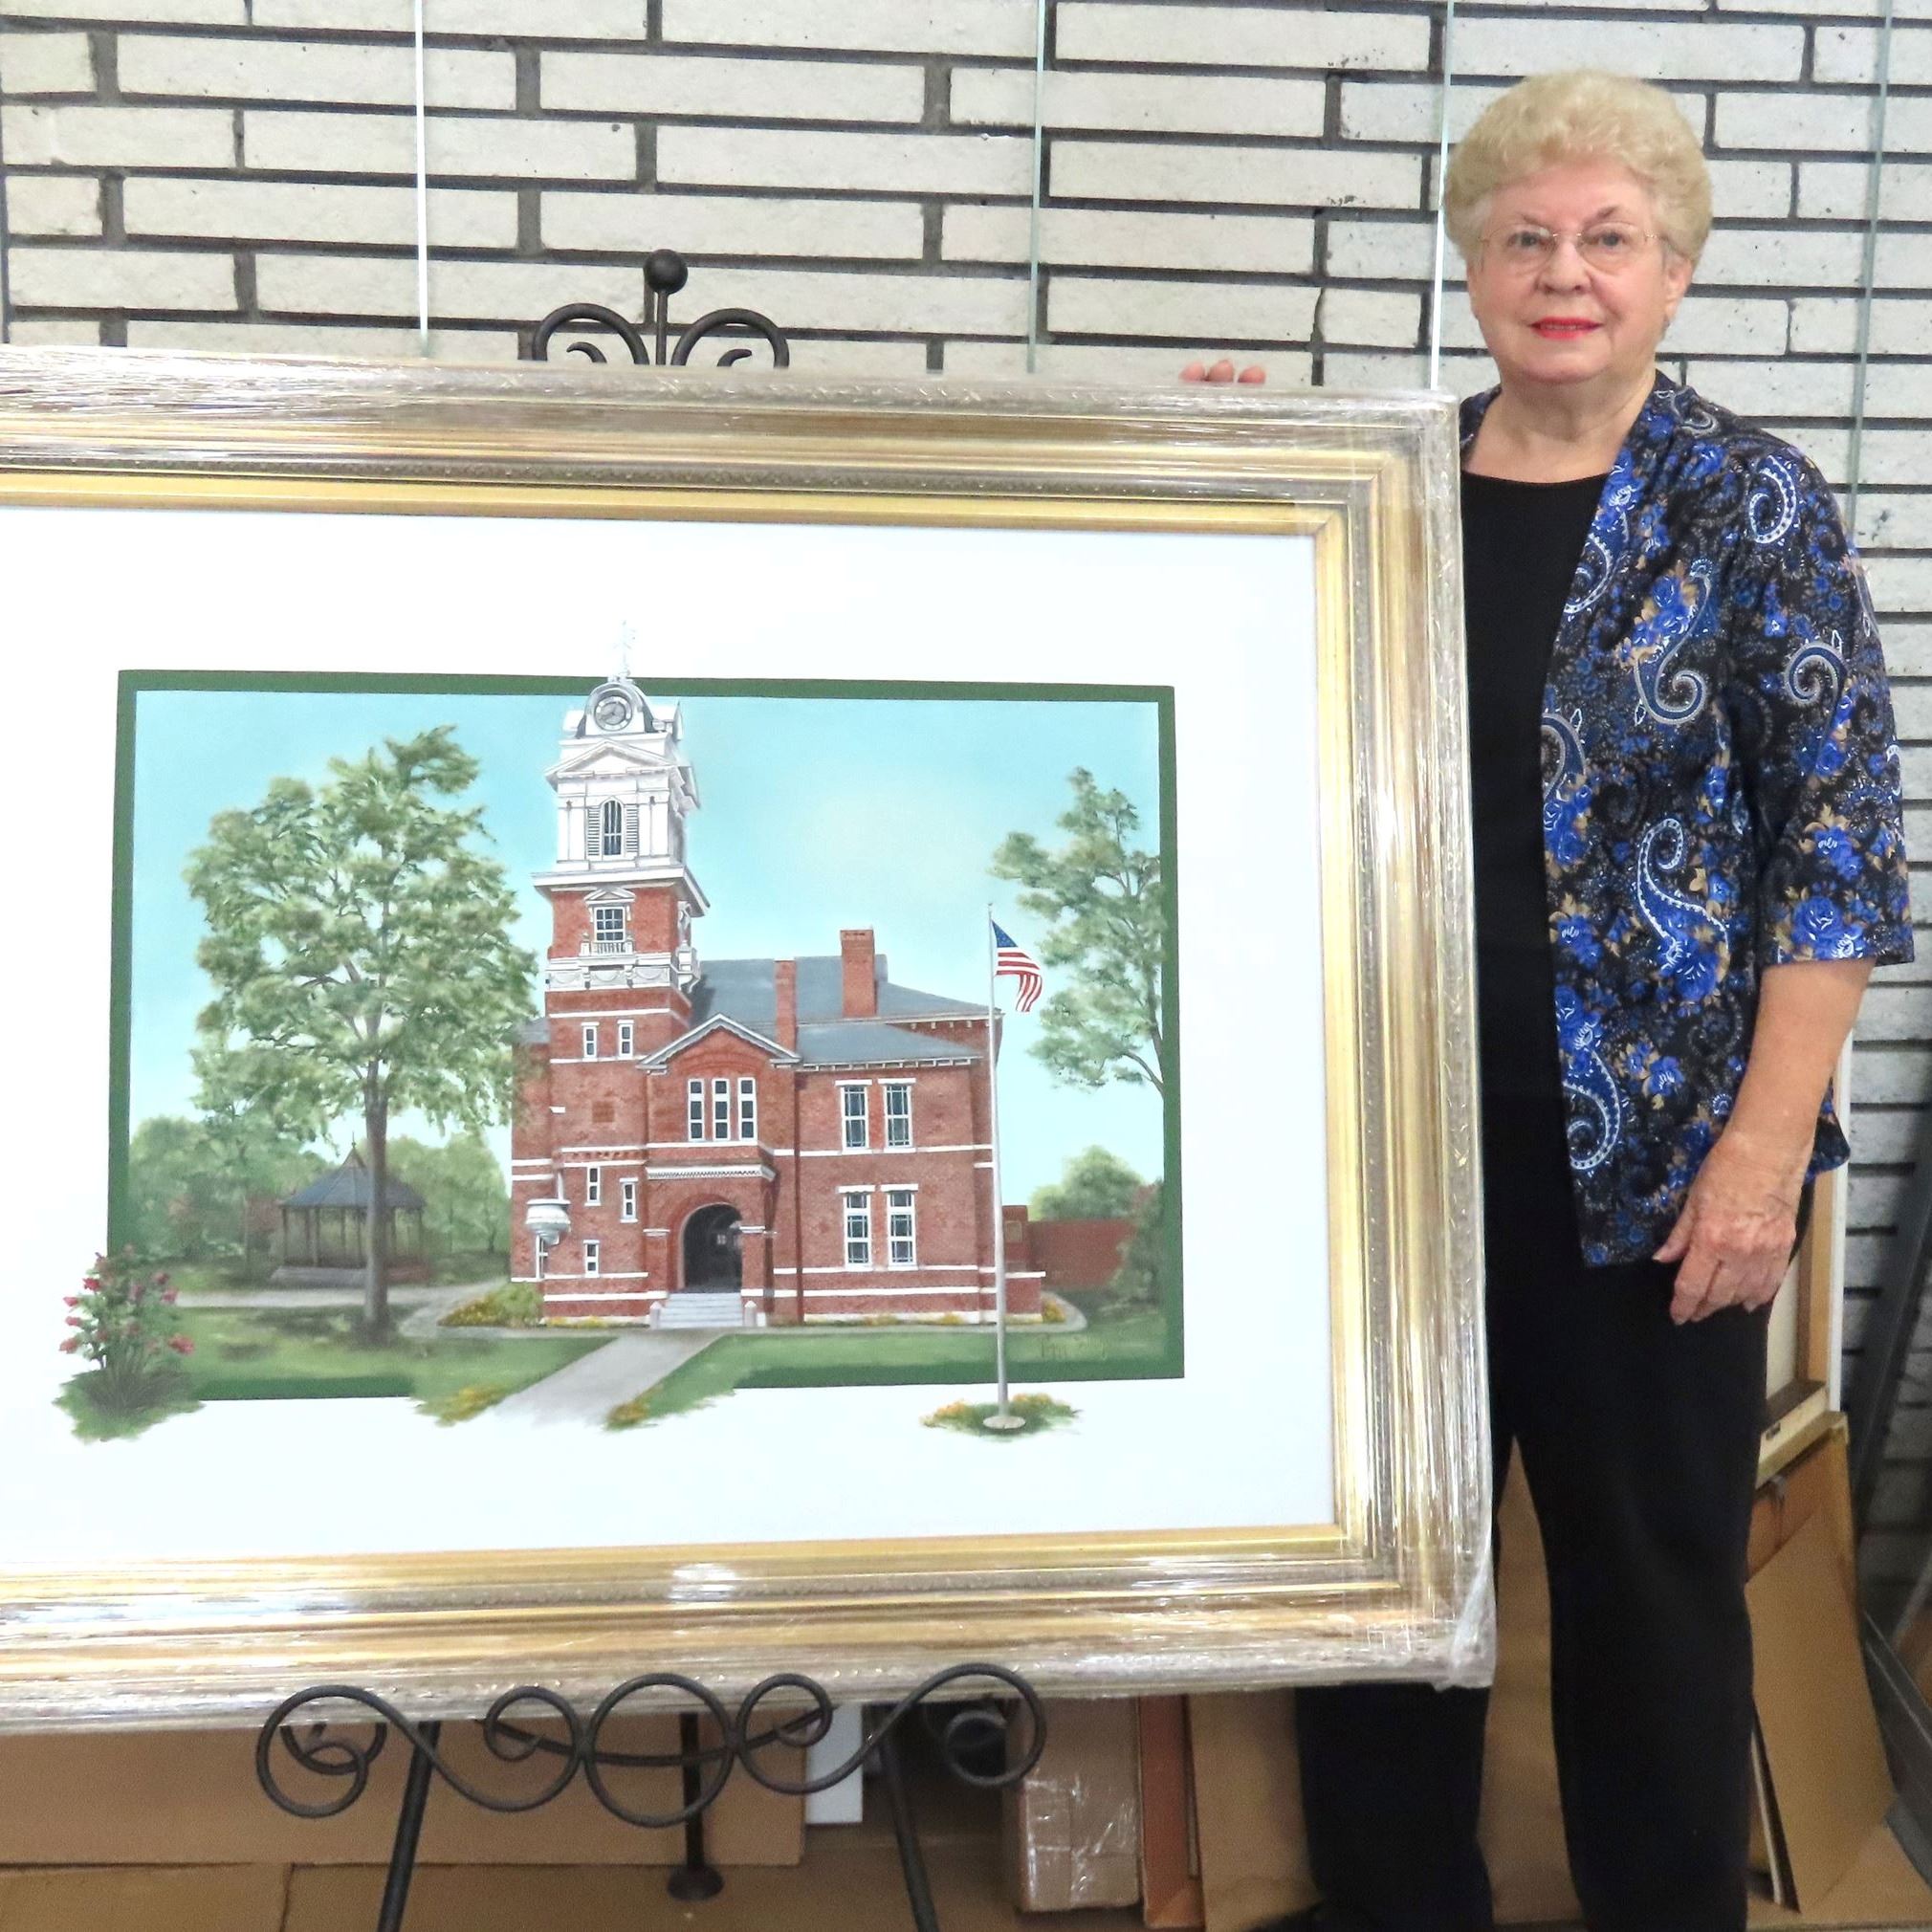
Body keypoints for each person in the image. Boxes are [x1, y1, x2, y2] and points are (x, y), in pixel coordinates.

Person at [1186, 67, 1913, 1932]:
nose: (1562, 271)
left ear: (1671, 271)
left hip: (1664, 1169)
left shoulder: (1745, 505)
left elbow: (1831, 847)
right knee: (1384, 1595)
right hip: (1387, 1153)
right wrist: (1188, 493)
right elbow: (1235, 720)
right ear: (1470, 265)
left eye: (1607, 238)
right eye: (1522, 236)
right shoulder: (1380, 491)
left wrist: (1762, 1152)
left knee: (1647, 1591)